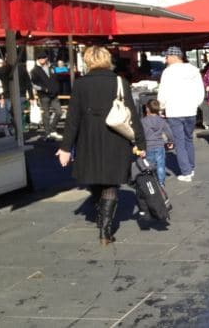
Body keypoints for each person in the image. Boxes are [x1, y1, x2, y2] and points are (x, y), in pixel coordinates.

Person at [56, 46, 146, 245]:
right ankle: (105, 230)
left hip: (88, 139)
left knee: (95, 178)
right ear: (107, 59)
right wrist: (140, 142)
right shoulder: (119, 81)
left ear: (87, 60)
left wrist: (65, 147)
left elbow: (72, 119)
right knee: (110, 182)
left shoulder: (79, 84)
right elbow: (132, 115)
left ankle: (101, 213)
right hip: (116, 138)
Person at [157, 46, 203, 182]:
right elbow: (200, 91)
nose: (165, 59)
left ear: (174, 56)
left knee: (179, 142)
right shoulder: (194, 70)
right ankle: (191, 167)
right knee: (188, 139)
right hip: (190, 110)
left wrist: (161, 107)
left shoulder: (168, 72)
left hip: (174, 110)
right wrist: (195, 104)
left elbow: (163, 92)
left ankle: (186, 172)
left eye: (167, 56)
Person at [0, 57, 34, 125]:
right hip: (21, 95)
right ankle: (18, 131)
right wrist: (31, 97)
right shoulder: (22, 69)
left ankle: (12, 130)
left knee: (9, 116)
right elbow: (28, 83)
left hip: (8, 96)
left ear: (5, 61)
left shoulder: (0, 70)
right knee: (18, 115)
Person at [30, 52, 63, 140]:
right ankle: (48, 132)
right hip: (44, 95)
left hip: (54, 94)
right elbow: (33, 84)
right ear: (37, 59)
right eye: (40, 58)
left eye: (43, 57)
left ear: (46, 58)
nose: (42, 59)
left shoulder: (52, 67)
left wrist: (57, 87)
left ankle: (52, 129)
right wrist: (43, 89)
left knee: (59, 112)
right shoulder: (34, 70)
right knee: (46, 114)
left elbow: (57, 78)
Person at [141, 99, 173, 187]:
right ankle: (161, 182)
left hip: (148, 146)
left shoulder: (143, 121)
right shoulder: (162, 121)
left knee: (150, 164)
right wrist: (171, 141)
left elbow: (140, 134)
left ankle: (152, 181)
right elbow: (169, 132)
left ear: (147, 109)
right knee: (161, 164)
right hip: (159, 145)